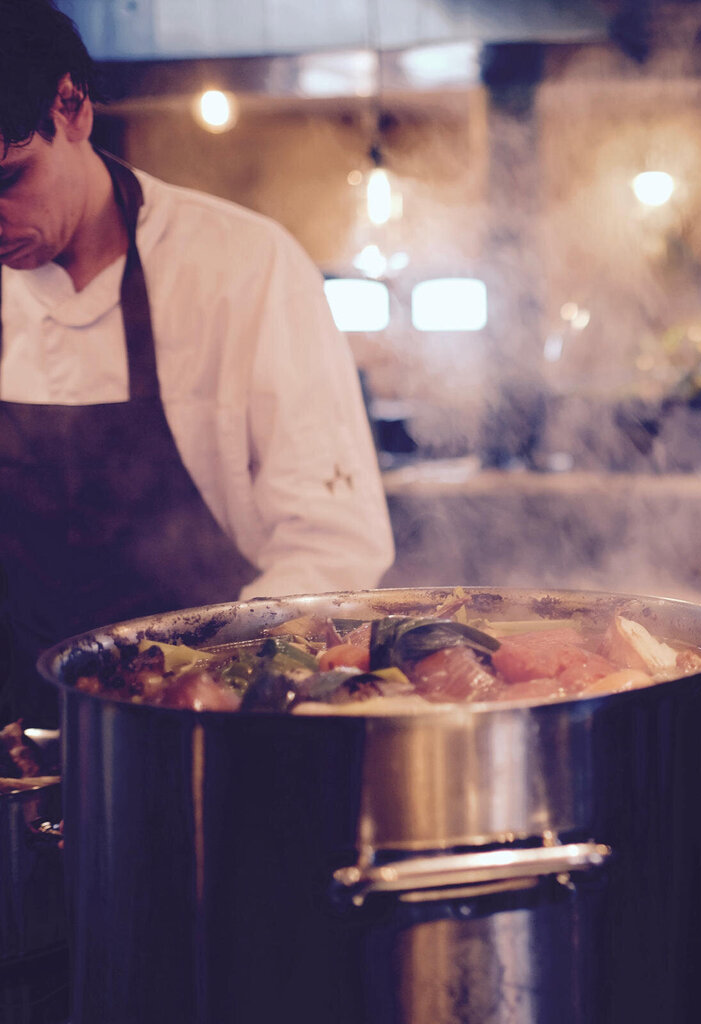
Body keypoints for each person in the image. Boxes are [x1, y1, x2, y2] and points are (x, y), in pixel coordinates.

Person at [0, 0, 395, 725]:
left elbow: (331, 544)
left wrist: (215, 695)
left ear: (72, 106)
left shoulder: (243, 268)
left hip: (207, 732)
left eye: (8, 180)